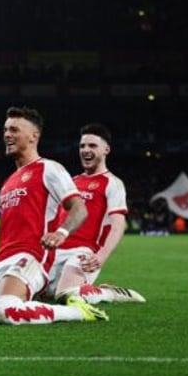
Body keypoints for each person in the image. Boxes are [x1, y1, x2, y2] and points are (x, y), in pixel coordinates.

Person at [0, 106, 109, 325]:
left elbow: (79, 208)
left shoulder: (48, 168)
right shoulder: (8, 183)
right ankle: (4, 308)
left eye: (14, 130)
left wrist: (61, 232)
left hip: (31, 259)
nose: (6, 135)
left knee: (4, 310)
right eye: (5, 130)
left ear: (34, 136)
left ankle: (79, 313)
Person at [44, 123, 146, 304]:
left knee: (67, 296)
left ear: (106, 149)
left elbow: (117, 225)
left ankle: (111, 294)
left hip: (84, 252)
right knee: (29, 293)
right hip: (54, 251)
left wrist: (101, 256)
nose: (85, 150)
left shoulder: (112, 183)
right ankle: (89, 289)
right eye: (82, 146)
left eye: (92, 146)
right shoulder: (71, 181)